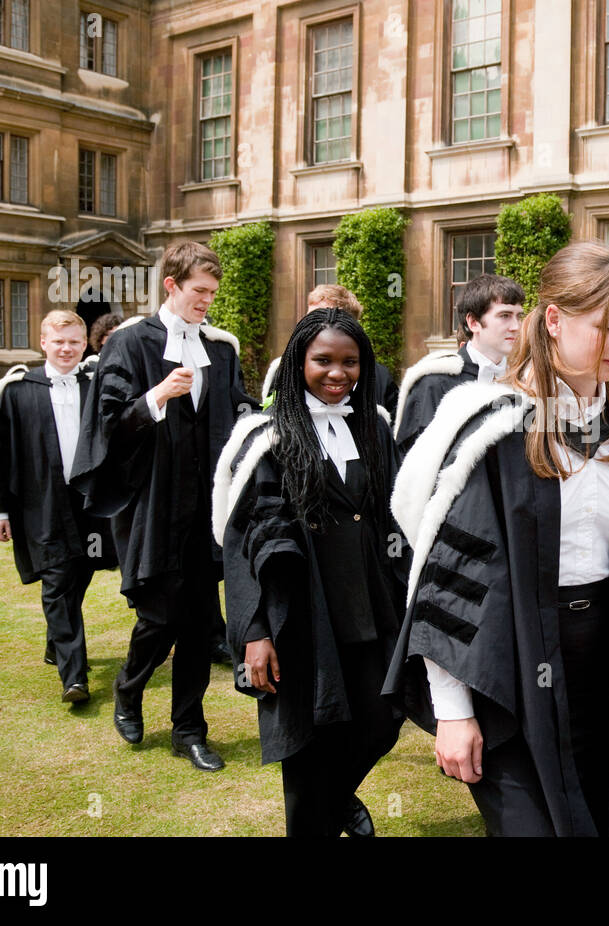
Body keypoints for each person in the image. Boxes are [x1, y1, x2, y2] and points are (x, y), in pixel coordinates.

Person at [383, 240, 609, 836]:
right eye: (605, 327)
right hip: (510, 663)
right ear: (553, 319)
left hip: (608, 661)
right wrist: (454, 711)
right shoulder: (493, 430)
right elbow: (452, 581)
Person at [216, 309, 406, 837]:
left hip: (371, 606)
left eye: (350, 362)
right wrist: (254, 632)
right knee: (308, 747)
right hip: (301, 615)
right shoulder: (267, 439)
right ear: (298, 361)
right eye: (323, 360)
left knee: (381, 720)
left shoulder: (373, 430)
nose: (337, 373)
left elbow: (400, 518)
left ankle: (338, 798)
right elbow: (244, 544)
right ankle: (318, 817)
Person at [71, 240, 258, 772]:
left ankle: (188, 730)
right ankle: (129, 690)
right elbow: (105, 422)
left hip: (207, 505)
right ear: (171, 285)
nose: (207, 302)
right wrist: (155, 397)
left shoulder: (220, 349)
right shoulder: (129, 344)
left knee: (200, 620)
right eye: (200, 292)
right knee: (159, 616)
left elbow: (238, 409)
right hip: (151, 501)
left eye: (213, 294)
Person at [0, 310, 116, 704]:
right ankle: (75, 677)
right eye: (59, 342)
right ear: (43, 344)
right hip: (42, 502)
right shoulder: (19, 392)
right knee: (57, 581)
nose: (67, 349)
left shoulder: (98, 385)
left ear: (85, 343)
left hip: (89, 501)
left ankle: (57, 641)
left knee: (82, 571)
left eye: (74, 341)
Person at [393, 274, 524, 454]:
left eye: (519, 316)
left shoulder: (523, 382)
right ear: (473, 322)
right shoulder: (434, 383)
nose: (516, 326)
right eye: (505, 315)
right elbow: (415, 465)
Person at [305, 284, 399, 420]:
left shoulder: (380, 378)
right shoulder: (285, 371)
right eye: (308, 319)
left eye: (319, 319)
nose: (308, 327)